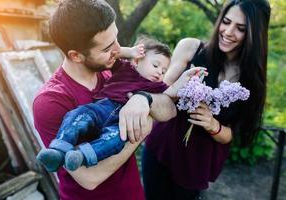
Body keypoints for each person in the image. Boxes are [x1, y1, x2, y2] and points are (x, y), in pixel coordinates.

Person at [33, 0, 177, 199]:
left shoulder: (114, 72)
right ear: (76, 56)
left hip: (132, 193)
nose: (118, 50)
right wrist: (139, 131)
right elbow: (90, 178)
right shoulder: (50, 101)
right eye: (107, 48)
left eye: (116, 39)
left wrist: (144, 99)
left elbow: (169, 109)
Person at [142, 0, 271, 199]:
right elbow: (160, 94)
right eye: (226, 22)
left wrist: (212, 124)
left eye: (240, 28)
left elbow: (231, 135)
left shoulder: (250, 81)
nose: (228, 32)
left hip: (196, 162)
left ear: (255, 35)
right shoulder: (191, 48)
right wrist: (182, 87)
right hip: (162, 148)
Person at [37, 36, 203, 172]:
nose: (160, 72)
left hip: (120, 123)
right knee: (77, 116)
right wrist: (130, 52)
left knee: (114, 141)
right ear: (137, 61)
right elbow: (113, 54)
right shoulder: (125, 68)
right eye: (155, 65)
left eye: (164, 71)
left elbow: (171, 92)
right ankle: (59, 150)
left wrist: (185, 77)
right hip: (101, 108)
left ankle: (80, 156)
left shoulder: (156, 86)